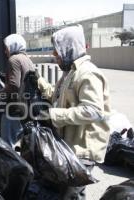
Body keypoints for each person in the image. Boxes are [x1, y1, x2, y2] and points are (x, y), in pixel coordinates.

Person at [34, 25, 111, 199]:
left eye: (57, 50)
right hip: (69, 146)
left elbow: (93, 110)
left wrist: (53, 115)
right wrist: (39, 81)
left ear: (69, 48)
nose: (54, 55)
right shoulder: (70, 72)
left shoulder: (88, 74)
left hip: (82, 150)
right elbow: (57, 95)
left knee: (71, 195)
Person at [0, 34, 35, 147]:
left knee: (8, 146)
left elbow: (14, 86)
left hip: (13, 110)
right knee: (21, 145)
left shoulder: (14, 60)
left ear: (14, 45)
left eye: (6, 47)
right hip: (26, 110)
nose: (5, 51)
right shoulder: (27, 59)